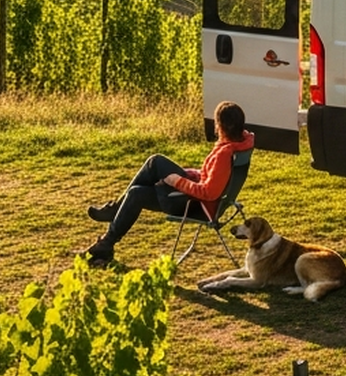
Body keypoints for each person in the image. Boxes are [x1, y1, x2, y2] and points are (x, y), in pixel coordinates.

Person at [83, 100, 254, 267]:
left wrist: (178, 181)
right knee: (137, 192)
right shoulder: (239, 145)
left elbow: (209, 192)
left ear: (220, 126)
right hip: (202, 203)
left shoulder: (224, 154)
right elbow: (213, 178)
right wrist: (190, 174)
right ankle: (106, 244)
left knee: (154, 162)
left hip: (195, 206)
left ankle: (113, 214)